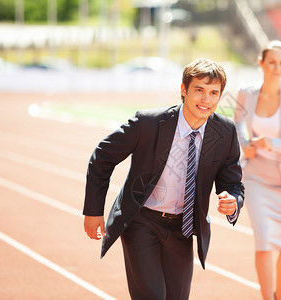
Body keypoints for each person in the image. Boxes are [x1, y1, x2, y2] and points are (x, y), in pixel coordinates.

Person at [83, 58, 245, 300]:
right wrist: (93, 211)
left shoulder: (225, 131)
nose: (206, 99)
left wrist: (232, 199)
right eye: (199, 90)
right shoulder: (148, 123)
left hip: (183, 227)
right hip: (141, 221)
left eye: (214, 93)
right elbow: (103, 156)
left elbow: (232, 182)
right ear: (183, 90)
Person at [234, 40, 281, 300]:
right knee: (264, 241)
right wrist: (246, 145)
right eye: (272, 62)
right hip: (256, 177)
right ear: (261, 63)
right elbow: (237, 125)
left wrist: (273, 144)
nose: (277, 67)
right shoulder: (246, 92)